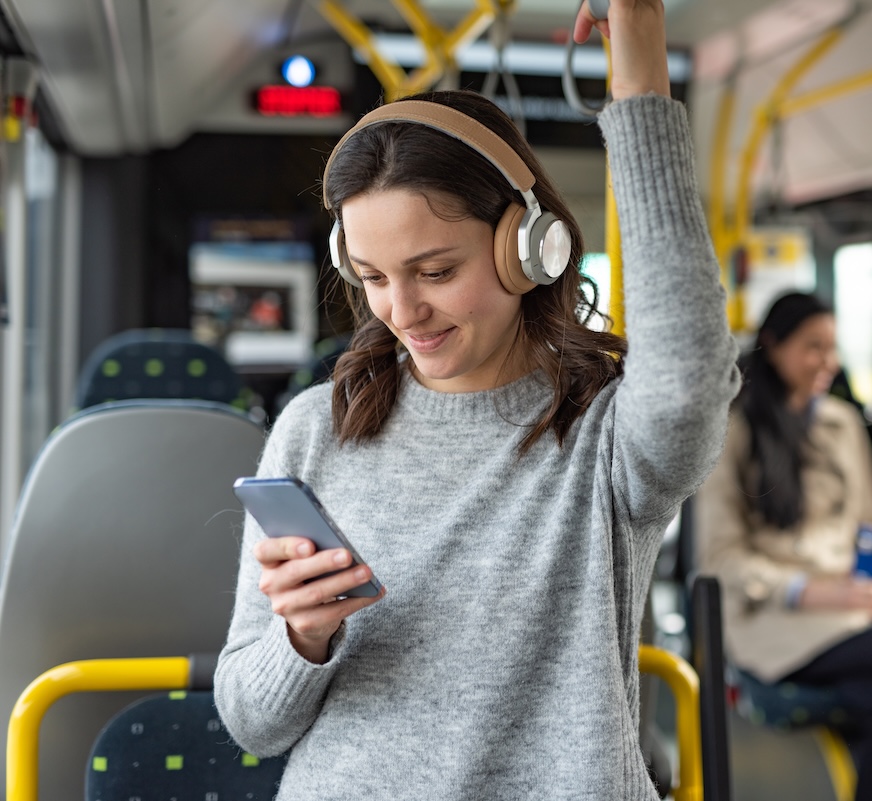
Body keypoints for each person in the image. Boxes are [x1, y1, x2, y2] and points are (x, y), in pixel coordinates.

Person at [212, 2, 741, 798]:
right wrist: (303, 637)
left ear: (530, 247)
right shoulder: (314, 429)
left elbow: (692, 373)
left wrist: (638, 55)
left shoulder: (605, 437)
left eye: (434, 271)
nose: (401, 310)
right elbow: (254, 723)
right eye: (375, 276)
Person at [696, 292, 872, 801]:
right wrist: (816, 593)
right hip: (772, 618)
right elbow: (721, 557)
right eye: (812, 347)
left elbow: (871, 527)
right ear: (772, 345)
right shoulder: (731, 430)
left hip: (847, 609)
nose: (827, 363)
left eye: (832, 348)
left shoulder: (842, 423)